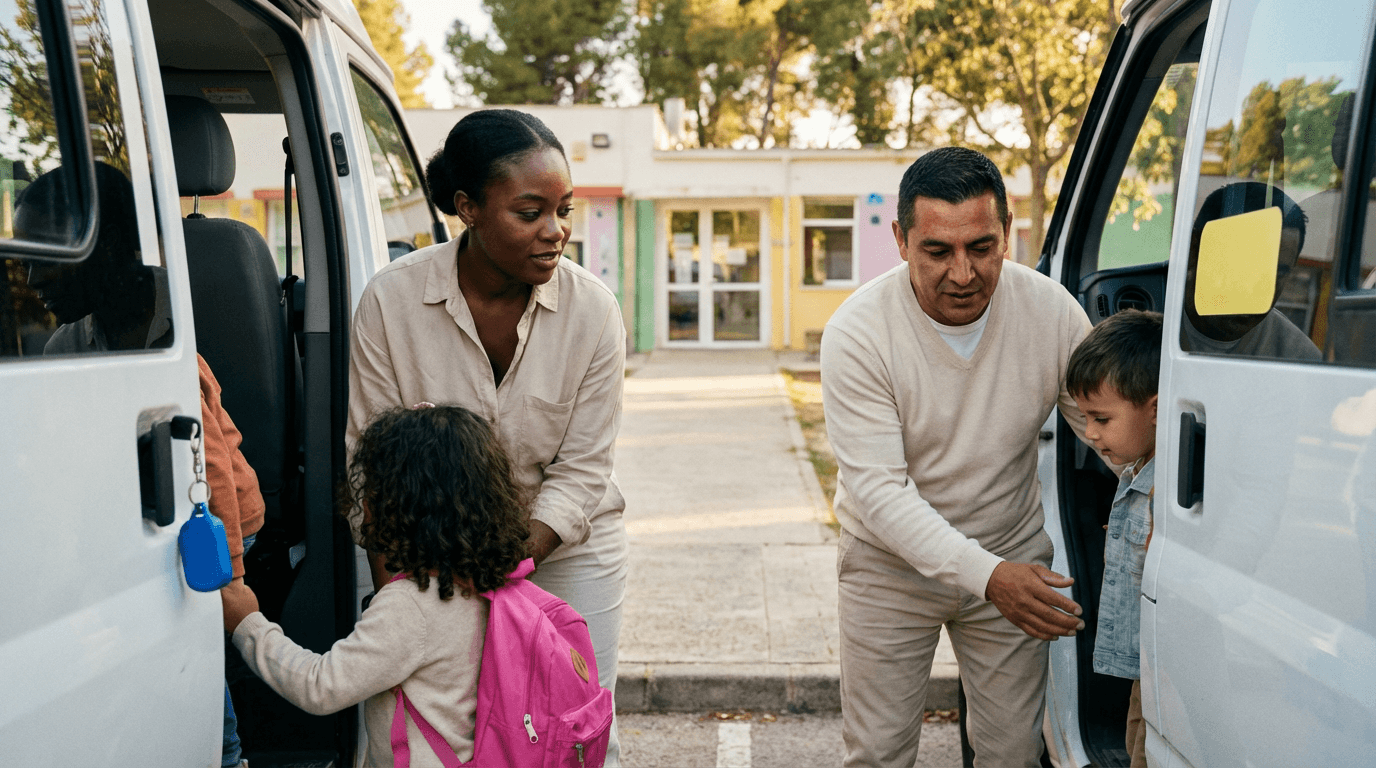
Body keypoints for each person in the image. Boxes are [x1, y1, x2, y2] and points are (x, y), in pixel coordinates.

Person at [347, 109, 629, 764]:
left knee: (573, 728)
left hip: (562, 547)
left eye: (563, 210)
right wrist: (405, 605)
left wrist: (501, 569)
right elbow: (374, 471)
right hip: (430, 559)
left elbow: (582, 471)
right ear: (468, 208)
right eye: (530, 212)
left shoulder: (593, 311)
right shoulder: (391, 302)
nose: (556, 232)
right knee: (436, 730)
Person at [821, 146, 1096, 767]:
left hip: (1011, 556)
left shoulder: (1053, 313)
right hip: (888, 570)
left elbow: (1104, 430)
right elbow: (881, 495)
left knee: (1013, 754)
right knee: (878, 754)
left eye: (982, 247)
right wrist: (988, 576)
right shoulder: (857, 333)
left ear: (1007, 233)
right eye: (938, 252)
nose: (963, 274)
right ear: (900, 240)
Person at [222, 404, 530, 767]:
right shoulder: (486, 583)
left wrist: (248, 624)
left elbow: (321, 686)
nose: (365, 499)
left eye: (375, 487)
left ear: (398, 507)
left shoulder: (411, 606)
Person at [1065, 309, 1163, 768]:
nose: (1089, 433)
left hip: (1164, 670)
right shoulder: (1140, 471)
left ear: (1158, 409)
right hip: (1142, 669)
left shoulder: (1170, 490)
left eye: (1101, 418)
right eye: (1085, 417)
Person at [15, 162, 173, 354]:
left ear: (108, 242)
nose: (33, 280)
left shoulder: (195, 309)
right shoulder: (64, 350)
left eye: (46, 257)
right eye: (25, 264)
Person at [200, 353, 266, 768]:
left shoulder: (181, 365)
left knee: (200, 641)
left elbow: (212, 471)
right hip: (202, 519)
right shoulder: (71, 340)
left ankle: (228, 757)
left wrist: (232, 576)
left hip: (228, 521)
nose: (34, 283)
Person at [1182, 181, 1321, 361]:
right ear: (1194, 250)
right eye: (1245, 264)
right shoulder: (1142, 313)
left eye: (1277, 273)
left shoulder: (1300, 359)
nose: (1255, 288)